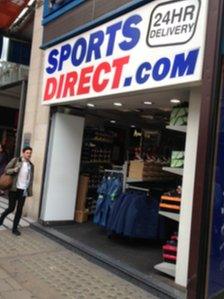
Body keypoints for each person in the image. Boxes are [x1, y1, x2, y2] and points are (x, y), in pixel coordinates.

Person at [0, 146, 34, 236]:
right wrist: (14, 170)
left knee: (19, 210)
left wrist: (29, 190)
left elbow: (30, 179)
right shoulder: (16, 160)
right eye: (27, 153)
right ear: (23, 153)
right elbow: (6, 170)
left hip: (23, 190)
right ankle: (2, 217)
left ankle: (15, 228)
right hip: (14, 189)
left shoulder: (31, 165)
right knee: (11, 208)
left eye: (30, 153)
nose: (29, 155)